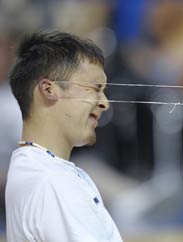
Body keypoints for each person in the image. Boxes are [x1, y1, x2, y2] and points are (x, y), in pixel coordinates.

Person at [5, 31, 123, 242]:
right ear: (49, 89)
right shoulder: (51, 182)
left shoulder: (39, 170)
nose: (105, 103)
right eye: (94, 88)